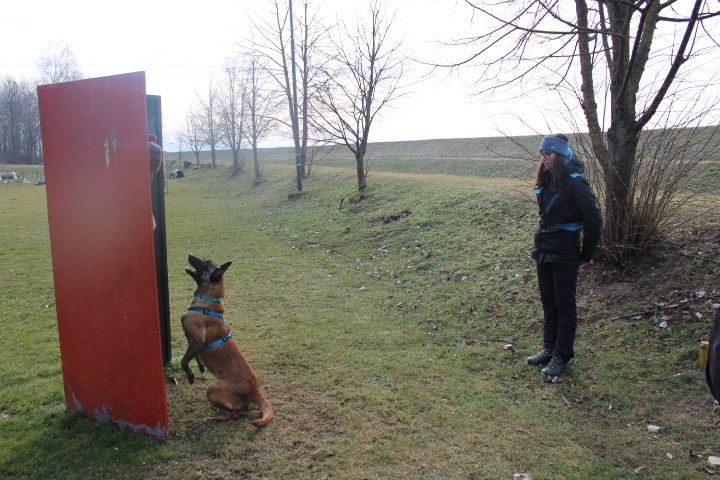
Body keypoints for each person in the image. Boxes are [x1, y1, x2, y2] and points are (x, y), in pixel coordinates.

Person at [526, 134, 602, 378]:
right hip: (544, 249)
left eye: (548, 154)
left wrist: (586, 253)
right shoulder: (547, 179)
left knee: (564, 304)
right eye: (542, 154)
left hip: (566, 251)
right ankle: (549, 348)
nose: (544, 158)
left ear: (560, 155)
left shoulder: (576, 183)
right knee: (548, 301)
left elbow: (594, 220)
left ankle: (562, 354)